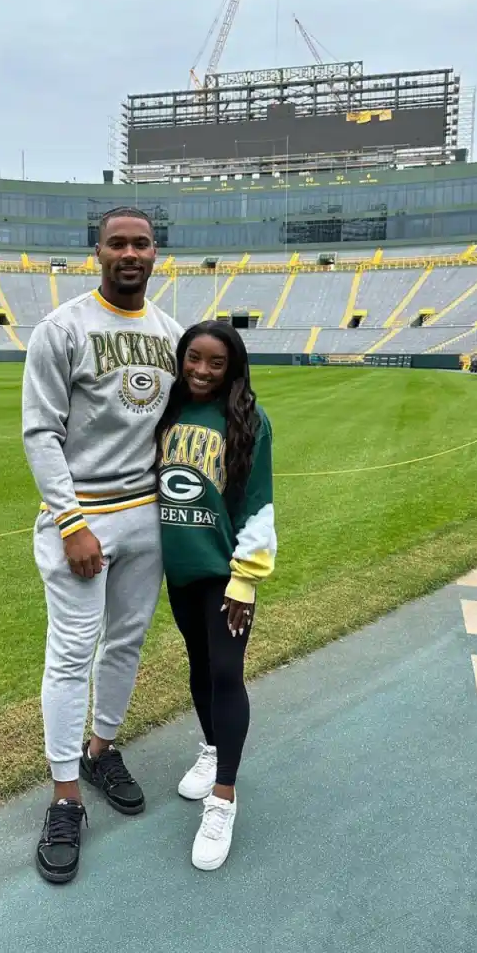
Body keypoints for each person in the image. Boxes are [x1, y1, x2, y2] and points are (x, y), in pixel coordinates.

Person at [21, 206, 182, 884]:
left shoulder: (172, 333)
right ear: (98, 251)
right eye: (118, 242)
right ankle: (64, 796)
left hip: (148, 516)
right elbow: (41, 432)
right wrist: (70, 522)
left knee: (126, 642)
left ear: (156, 254)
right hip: (83, 519)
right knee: (70, 653)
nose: (130, 253)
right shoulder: (62, 329)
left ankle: (101, 748)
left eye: (141, 243)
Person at [155, 320, 276, 871]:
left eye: (216, 362)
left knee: (226, 673)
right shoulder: (168, 410)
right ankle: (211, 748)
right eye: (193, 359)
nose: (201, 370)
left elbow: (258, 501)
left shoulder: (250, 421)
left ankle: (223, 797)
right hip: (180, 569)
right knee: (199, 668)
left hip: (224, 574)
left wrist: (246, 577)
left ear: (233, 367)